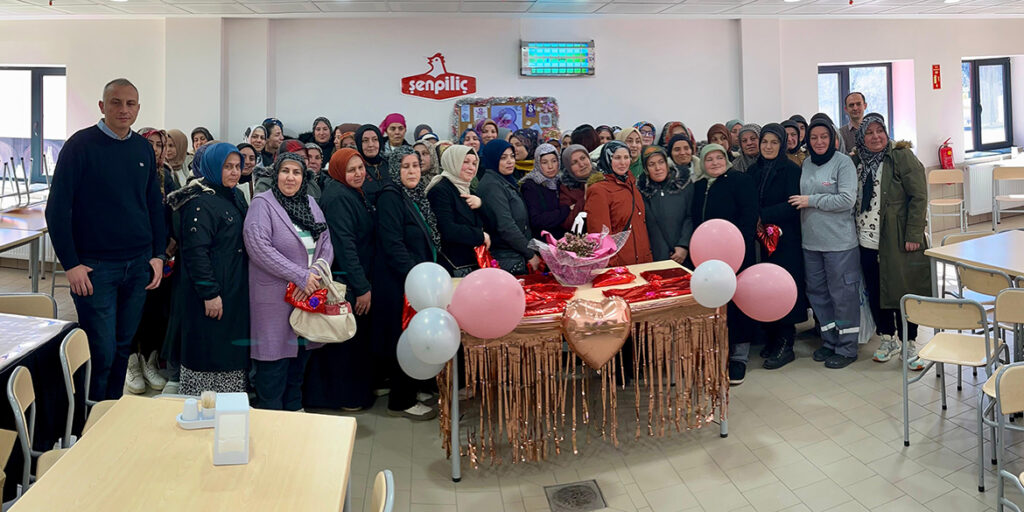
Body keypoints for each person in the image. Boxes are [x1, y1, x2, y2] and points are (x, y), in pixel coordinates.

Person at [46, 79, 166, 401]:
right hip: (95, 268)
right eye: (116, 102)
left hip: (138, 266)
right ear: (102, 106)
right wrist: (70, 264)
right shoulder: (80, 146)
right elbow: (57, 210)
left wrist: (158, 255)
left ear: (138, 108)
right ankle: (90, 418)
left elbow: (153, 205)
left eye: (130, 103)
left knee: (123, 347)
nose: (124, 109)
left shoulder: (142, 148)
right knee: (101, 351)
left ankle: (111, 411)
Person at [243, 152, 332, 410]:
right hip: (274, 301)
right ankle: (270, 423)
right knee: (273, 369)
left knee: (298, 368)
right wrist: (300, 276)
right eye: (285, 171)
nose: (290, 177)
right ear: (276, 174)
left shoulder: (311, 203)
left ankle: (294, 415)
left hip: (308, 296)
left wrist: (315, 273)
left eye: (296, 172)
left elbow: (326, 243)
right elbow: (258, 247)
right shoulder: (263, 204)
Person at [167, 142, 250, 395]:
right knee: (207, 348)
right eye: (227, 167)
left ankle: (229, 406)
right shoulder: (200, 202)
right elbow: (195, 253)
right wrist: (209, 293)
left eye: (237, 166)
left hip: (233, 286)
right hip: (211, 291)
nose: (234, 172)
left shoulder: (234, 195)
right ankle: (202, 406)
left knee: (229, 349)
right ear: (213, 167)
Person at [851, 114, 930, 370]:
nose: (875, 137)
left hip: (897, 237)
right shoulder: (857, 161)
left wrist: (914, 234)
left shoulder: (901, 156)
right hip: (866, 238)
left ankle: (909, 342)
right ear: (861, 137)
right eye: (869, 132)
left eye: (879, 131)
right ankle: (887, 338)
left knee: (903, 290)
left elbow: (919, 196)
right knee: (877, 290)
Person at [305, 148, 376, 411]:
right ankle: (344, 397)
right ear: (338, 171)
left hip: (355, 279)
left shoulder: (351, 192)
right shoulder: (338, 198)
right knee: (345, 342)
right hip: (347, 283)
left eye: (360, 168)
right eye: (351, 170)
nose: (358, 174)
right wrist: (362, 287)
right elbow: (345, 247)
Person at [788, 118, 861, 369]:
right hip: (811, 243)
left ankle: (847, 347)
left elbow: (846, 199)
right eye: (814, 137)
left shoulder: (843, 163)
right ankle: (829, 341)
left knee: (843, 296)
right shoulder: (807, 163)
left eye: (824, 136)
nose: (819, 141)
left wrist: (811, 200)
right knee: (818, 294)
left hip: (840, 243)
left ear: (832, 139)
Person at [373, 146, 439, 420]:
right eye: (405, 166)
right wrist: (417, 278)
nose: (412, 171)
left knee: (415, 336)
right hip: (400, 282)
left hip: (416, 280)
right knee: (404, 339)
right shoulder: (391, 197)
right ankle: (401, 401)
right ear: (394, 170)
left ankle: (414, 388)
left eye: (415, 165)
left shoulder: (414, 195)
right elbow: (393, 244)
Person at [692, 143, 758, 384]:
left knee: (737, 303)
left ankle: (739, 357)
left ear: (727, 159)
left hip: (736, 254)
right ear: (702, 162)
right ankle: (717, 350)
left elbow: (749, 216)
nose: (715, 163)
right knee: (713, 302)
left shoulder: (740, 181)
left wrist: (737, 249)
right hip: (706, 257)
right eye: (709, 159)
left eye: (719, 157)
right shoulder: (699, 186)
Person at [745, 124, 806, 370]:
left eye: (774, 142)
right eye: (765, 142)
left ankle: (785, 343)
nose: (768, 147)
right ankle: (771, 337)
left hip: (785, 240)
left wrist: (763, 215)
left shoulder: (791, 169)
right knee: (765, 288)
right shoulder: (753, 170)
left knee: (783, 288)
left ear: (782, 145)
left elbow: (793, 204)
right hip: (760, 241)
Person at [585, 141, 653, 267]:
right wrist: (612, 266)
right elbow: (600, 235)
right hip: (619, 265)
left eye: (626, 157)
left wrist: (647, 257)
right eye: (617, 158)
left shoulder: (632, 184)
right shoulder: (599, 190)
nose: (623, 162)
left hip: (642, 261)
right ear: (607, 159)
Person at [425, 145, 488, 277]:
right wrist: (480, 236)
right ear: (453, 162)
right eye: (465, 162)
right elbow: (447, 229)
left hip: (472, 262)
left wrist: (481, 205)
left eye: (474, 163)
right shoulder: (440, 190)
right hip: (453, 265)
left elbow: (492, 223)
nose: (471, 167)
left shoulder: (468, 190)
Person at [477, 139, 538, 275]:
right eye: (503, 158)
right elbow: (506, 226)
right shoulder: (492, 186)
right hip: (505, 257)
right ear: (493, 159)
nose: (510, 161)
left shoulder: (505, 180)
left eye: (512, 156)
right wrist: (530, 254)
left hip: (514, 254)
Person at [638, 145, 694, 264]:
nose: (658, 168)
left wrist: (683, 245)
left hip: (686, 254)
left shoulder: (685, 185)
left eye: (661, 162)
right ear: (646, 169)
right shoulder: (643, 192)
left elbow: (691, 217)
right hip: (659, 257)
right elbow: (652, 226)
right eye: (651, 164)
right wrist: (662, 256)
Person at [521, 143, 571, 240]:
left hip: (563, 239)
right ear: (537, 164)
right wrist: (566, 210)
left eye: (554, 161)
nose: (550, 166)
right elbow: (536, 220)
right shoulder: (530, 185)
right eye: (544, 162)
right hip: (543, 240)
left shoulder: (560, 181)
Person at [559, 144, 597, 234]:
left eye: (583, 158)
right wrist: (584, 199)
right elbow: (568, 224)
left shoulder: (604, 177)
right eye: (574, 163)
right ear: (568, 167)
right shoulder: (566, 188)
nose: (581, 164)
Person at [355, 124, 388, 200]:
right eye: (365, 141)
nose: (371, 145)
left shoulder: (389, 164)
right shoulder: (356, 169)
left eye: (375, 139)